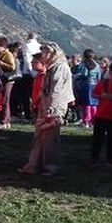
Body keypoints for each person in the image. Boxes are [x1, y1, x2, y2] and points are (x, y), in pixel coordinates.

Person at [18, 42, 74, 176]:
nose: (43, 55)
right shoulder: (51, 67)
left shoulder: (60, 67)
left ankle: (51, 166)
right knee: (39, 135)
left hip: (54, 106)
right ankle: (33, 164)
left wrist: (52, 109)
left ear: (53, 53)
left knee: (50, 138)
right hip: (45, 104)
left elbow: (57, 90)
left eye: (45, 52)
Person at [74, 49, 102, 128]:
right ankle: (94, 120)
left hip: (86, 85)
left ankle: (86, 121)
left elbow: (83, 74)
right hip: (94, 85)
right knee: (94, 104)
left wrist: (78, 78)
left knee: (86, 104)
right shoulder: (97, 65)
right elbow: (99, 77)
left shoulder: (84, 64)